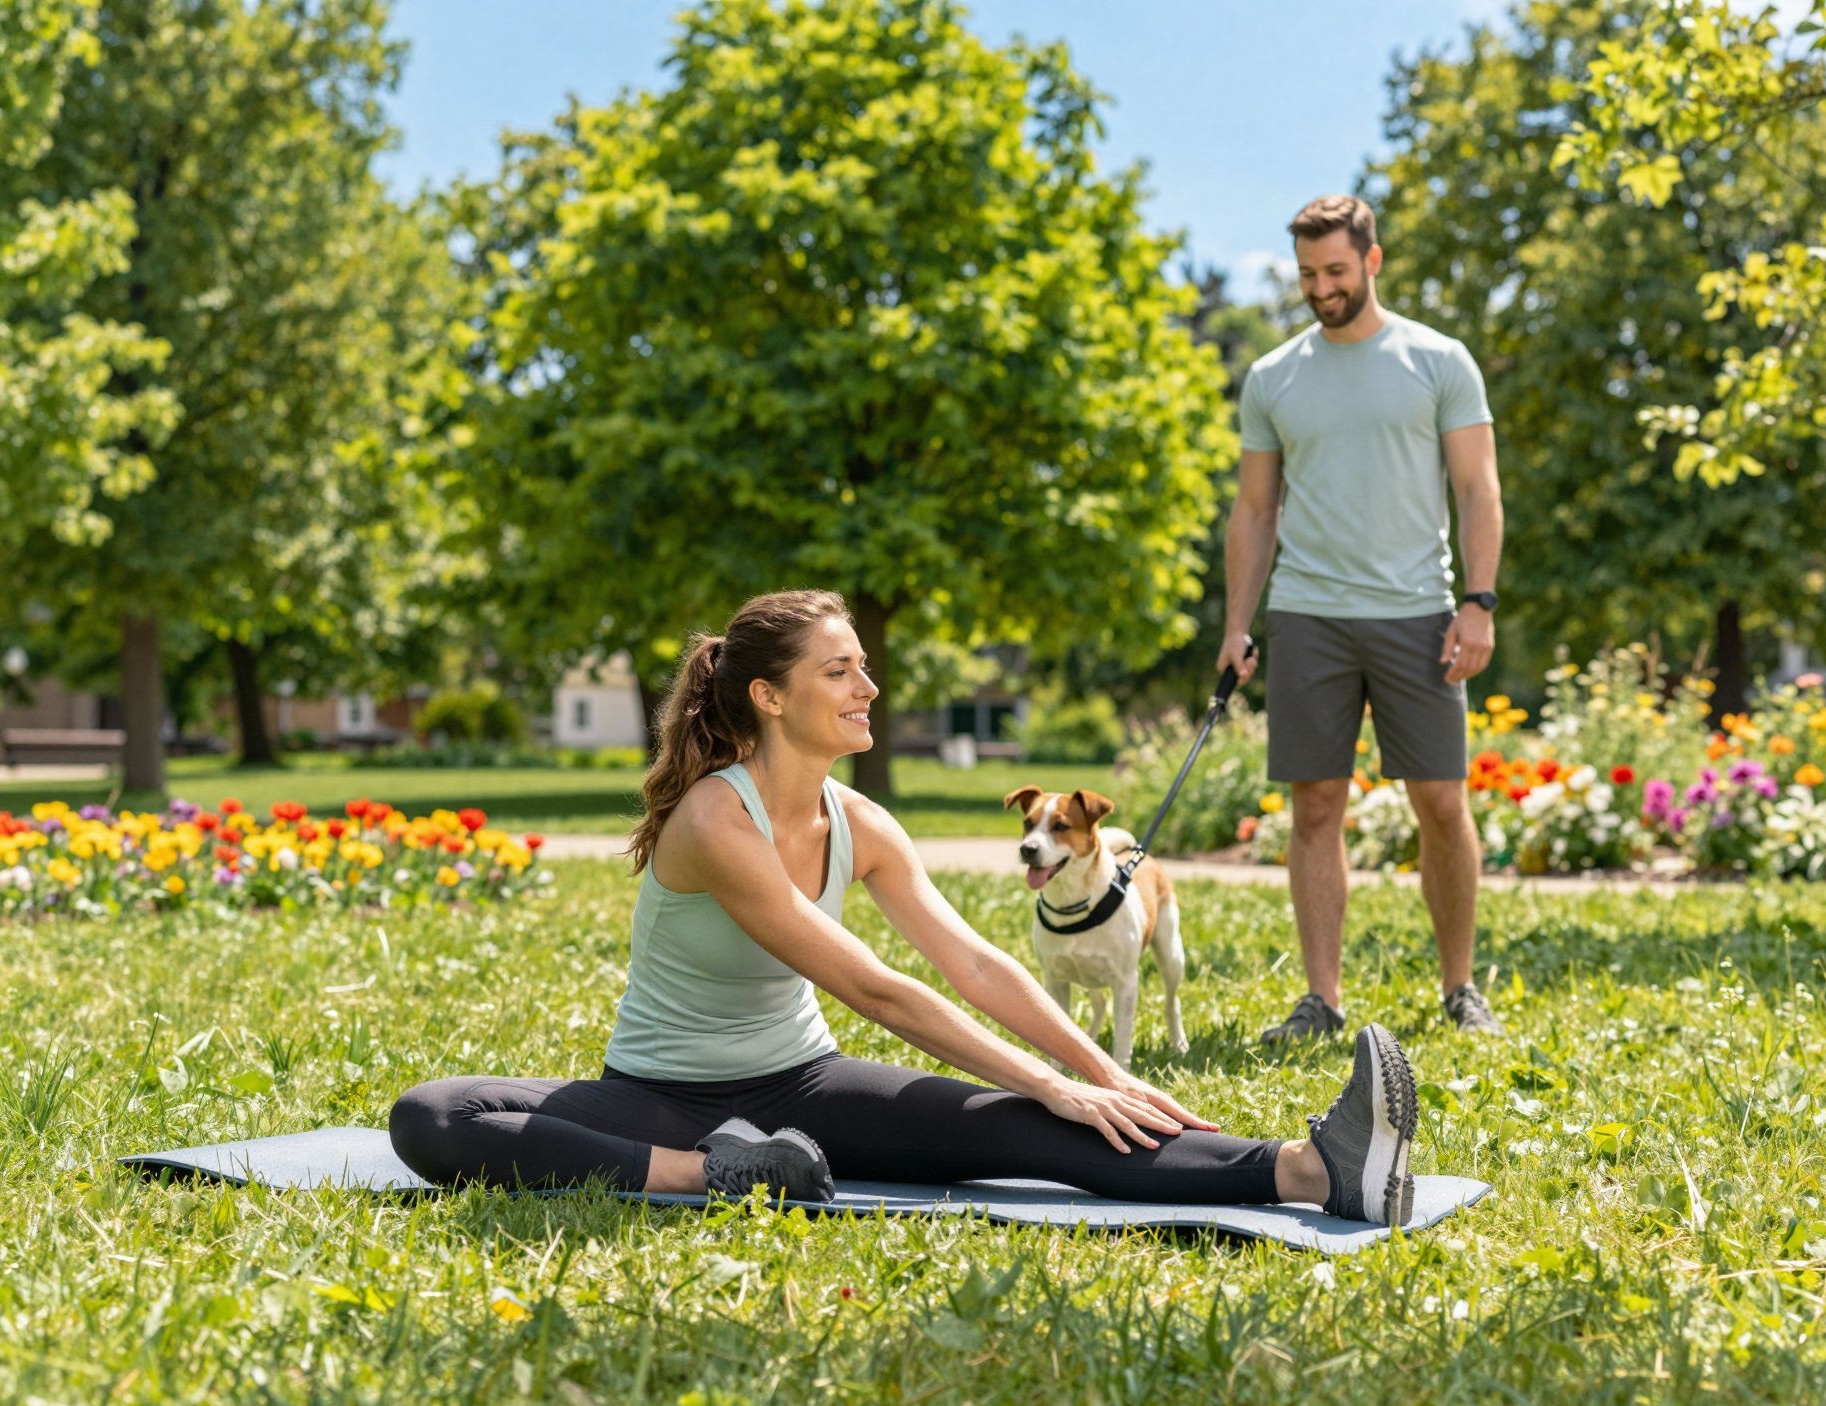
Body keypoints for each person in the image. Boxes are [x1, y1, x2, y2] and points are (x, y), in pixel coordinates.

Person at [390, 589, 1421, 1224]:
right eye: (839, 671)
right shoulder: (713, 821)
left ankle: (1312, 1171)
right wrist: (1050, 1080)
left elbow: (975, 965)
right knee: (431, 1117)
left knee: (1028, 1133)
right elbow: (871, 985)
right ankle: (713, 1178)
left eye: (863, 667)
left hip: (803, 1087)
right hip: (659, 1099)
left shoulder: (861, 823)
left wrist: (1102, 1077)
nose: (868, 686)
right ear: (768, 696)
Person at [1216, 194, 1506, 1042]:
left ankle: (1459, 987)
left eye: (1336, 271)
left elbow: (1478, 487)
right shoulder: (1274, 377)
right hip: (1309, 612)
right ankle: (1322, 1000)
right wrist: (1239, 624)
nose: (1321, 288)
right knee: (1314, 806)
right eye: (1308, 274)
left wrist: (1478, 603)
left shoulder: (1438, 360)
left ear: (1372, 261)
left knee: (1442, 805)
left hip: (1419, 612)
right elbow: (1256, 510)